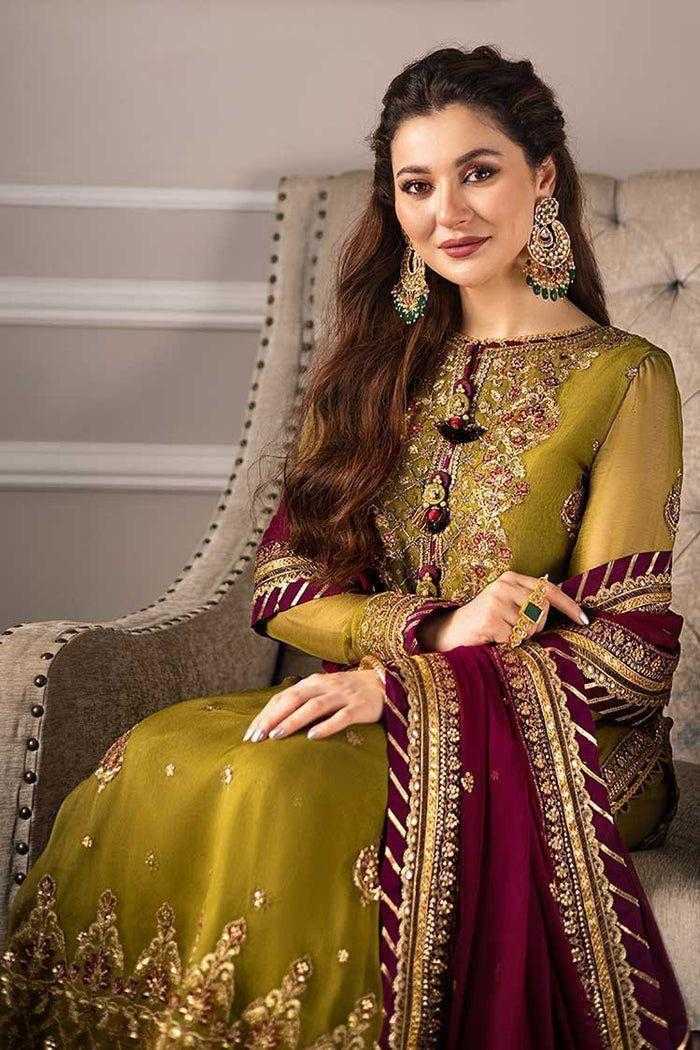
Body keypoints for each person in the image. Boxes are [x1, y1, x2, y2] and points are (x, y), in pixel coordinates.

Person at [0, 43, 690, 1050]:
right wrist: (436, 631)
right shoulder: (374, 366)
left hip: (571, 753)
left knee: (279, 784)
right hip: (379, 705)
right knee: (164, 750)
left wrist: (405, 688)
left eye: (478, 171)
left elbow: (630, 660)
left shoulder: (624, 375)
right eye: (417, 183)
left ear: (542, 177)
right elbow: (283, 587)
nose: (446, 210)